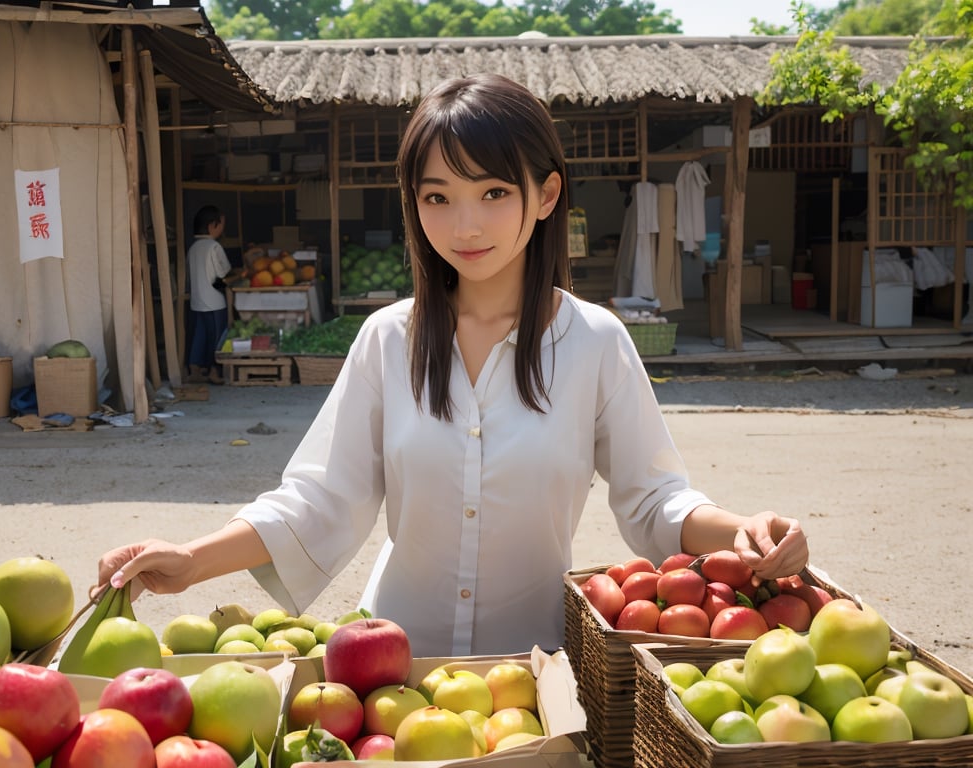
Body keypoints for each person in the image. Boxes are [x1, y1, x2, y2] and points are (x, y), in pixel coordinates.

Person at [98, 74, 808, 657]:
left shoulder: (594, 341)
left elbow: (656, 500)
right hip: (389, 666)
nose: (465, 225)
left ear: (547, 195)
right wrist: (191, 559)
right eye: (438, 197)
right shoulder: (387, 339)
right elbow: (319, 499)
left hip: (535, 672)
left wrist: (744, 529)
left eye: (494, 193)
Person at [186, 205, 235, 384]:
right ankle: (215, 370)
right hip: (214, 302)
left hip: (197, 301)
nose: (222, 229)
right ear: (212, 226)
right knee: (217, 337)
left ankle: (194, 369)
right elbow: (224, 275)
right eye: (221, 224)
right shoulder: (214, 247)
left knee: (199, 336)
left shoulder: (193, 248)